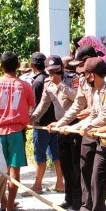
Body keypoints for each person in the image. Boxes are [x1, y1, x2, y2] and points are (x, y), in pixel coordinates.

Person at [0, 51, 35, 211]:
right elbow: (30, 108)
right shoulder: (25, 86)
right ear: (18, 67)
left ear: (1, 66)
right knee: (14, 171)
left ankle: (3, 203)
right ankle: (10, 207)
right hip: (16, 132)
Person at [71, 57, 106, 211]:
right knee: (96, 181)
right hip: (102, 142)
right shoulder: (98, 90)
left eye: (85, 74)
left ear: (92, 75)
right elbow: (93, 114)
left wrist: (88, 127)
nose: (83, 79)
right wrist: (72, 127)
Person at [52, 45, 99, 211]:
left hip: (94, 130)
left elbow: (101, 111)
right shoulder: (83, 79)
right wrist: (61, 124)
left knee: (94, 173)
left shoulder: (105, 81)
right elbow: (78, 104)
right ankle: (84, 206)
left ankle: (95, 208)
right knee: (82, 168)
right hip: (81, 128)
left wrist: (72, 125)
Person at [28, 52, 65, 193]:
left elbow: (37, 105)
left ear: (32, 65)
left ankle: (37, 185)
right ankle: (59, 183)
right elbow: (43, 103)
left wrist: (32, 120)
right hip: (55, 123)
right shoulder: (48, 81)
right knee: (56, 156)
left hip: (44, 124)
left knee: (41, 156)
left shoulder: (38, 82)